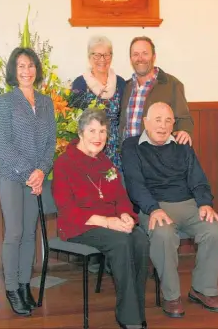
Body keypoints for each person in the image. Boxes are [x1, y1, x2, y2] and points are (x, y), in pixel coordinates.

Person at [121, 102, 218, 319]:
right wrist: (153, 209)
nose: (162, 125)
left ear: (174, 124)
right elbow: (135, 185)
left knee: (216, 231)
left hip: (188, 205)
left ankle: (202, 289)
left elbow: (199, 180)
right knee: (163, 234)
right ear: (146, 122)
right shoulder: (131, 146)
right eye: (157, 120)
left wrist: (205, 203)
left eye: (168, 120)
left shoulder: (182, 145)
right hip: (152, 206)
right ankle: (171, 296)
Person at [52, 108, 149, 329]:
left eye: (102, 131)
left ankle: (135, 308)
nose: (98, 137)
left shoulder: (106, 163)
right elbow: (67, 210)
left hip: (110, 224)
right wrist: (107, 221)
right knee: (121, 241)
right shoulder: (64, 164)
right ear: (80, 133)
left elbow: (121, 198)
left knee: (141, 239)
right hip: (79, 226)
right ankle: (130, 317)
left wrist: (126, 216)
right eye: (92, 131)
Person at [0, 47, 56, 316]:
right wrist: (29, 173)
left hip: (37, 179)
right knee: (15, 232)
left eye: (31, 65)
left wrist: (41, 171)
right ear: (13, 70)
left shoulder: (46, 102)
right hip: (11, 175)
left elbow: (51, 142)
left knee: (30, 234)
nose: (26, 71)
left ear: (37, 70)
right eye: (21, 66)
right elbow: (3, 145)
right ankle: (11, 288)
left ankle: (23, 285)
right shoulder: (5, 102)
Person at [119, 36, 194, 147]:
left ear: (154, 57)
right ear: (131, 59)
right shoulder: (125, 87)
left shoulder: (172, 84)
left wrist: (184, 130)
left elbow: (184, 119)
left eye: (145, 53)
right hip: (129, 157)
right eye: (135, 54)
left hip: (157, 158)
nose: (140, 58)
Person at [69, 35, 127, 171]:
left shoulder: (120, 83)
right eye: (97, 55)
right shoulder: (80, 83)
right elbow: (74, 119)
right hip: (89, 146)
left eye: (106, 55)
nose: (102, 60)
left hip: (115, 148)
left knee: (113, 186)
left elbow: (124, 116)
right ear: (89, 57)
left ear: (111, 57)